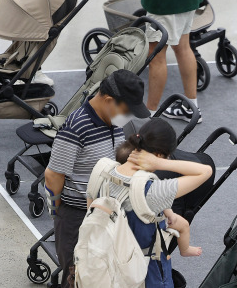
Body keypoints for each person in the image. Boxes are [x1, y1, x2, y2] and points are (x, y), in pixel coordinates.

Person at [44, 69, 150, 288]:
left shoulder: (114, 123)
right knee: (77, 274)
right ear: (109, 100)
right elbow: (53, 175)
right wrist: (57, 213)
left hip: (107, 212)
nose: (128, 117)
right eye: (127, 110)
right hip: (77, 216)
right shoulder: (77, 126)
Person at [90, 118, 212, 286]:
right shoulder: (153, 192)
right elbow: (205, 171)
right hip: (144, 273)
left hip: (103, 265)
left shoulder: (102, 169)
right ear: (161, 154)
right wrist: (160, 163)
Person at [115, 139, 202, 257]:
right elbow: (205, 171)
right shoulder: (148, 185)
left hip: (120, 218)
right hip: (145, 222)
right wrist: (170, 214)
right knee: (184, 225)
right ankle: (185, 249)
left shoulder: (114, 179)